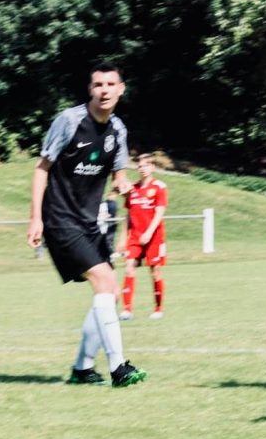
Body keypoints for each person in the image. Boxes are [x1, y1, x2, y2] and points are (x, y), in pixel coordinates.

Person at [26, 62, 147, 387]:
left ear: (121, 89)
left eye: (110, 84)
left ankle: (82, 368)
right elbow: (42, 168)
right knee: (106, 282)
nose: (104, 90)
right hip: (59, 219)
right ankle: (119, 367)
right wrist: (35, 217)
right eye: (98, 85)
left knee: (108, 292)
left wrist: (124, 185)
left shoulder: (118, 130)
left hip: (89, 223)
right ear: (90, 90)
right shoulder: (69, 121)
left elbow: (118, 175)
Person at [119, 153, 168, 321]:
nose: (143, 168)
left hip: (154, 237)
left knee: (155, 271)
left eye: (146, 165)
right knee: (129, 267)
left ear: (152, 167)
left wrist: (149, 232)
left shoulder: (159, 187)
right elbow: (128, 215)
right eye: (140, 165)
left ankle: (158, 308)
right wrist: (122, 237)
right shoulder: (133, 189)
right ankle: (127, 310)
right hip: (135, 237)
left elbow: (159, 213)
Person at [98, 191, 119, 256]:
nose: (114, 197)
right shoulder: (106, 203)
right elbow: (105, 213)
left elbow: (115, 213)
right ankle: (109, 253)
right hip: (108, 223)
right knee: (108, 239)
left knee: (110, 239)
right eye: (113, 195)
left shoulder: (114, 203)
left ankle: (110, 252)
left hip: (112, 222)